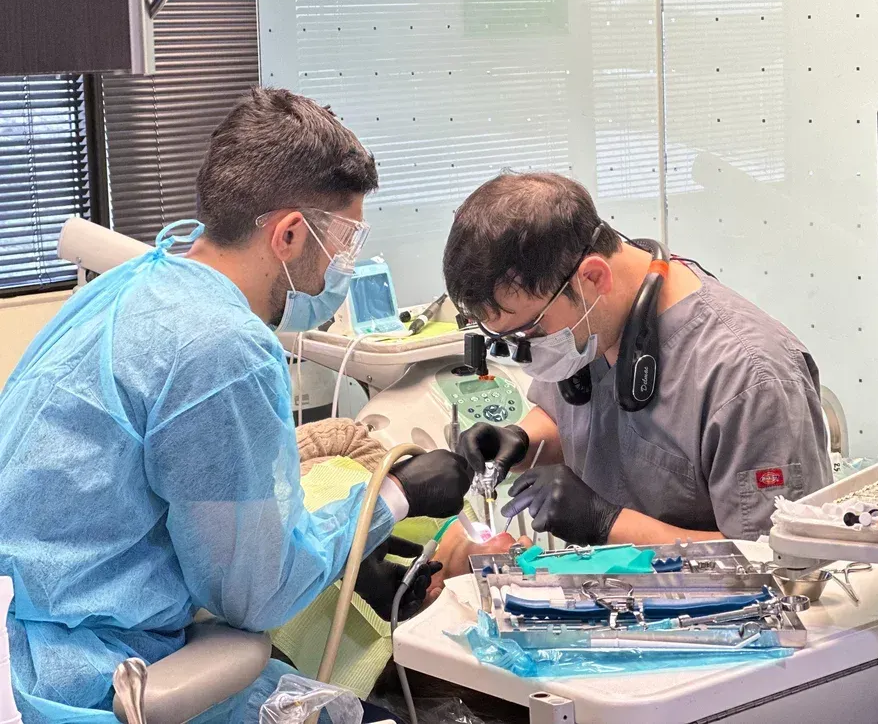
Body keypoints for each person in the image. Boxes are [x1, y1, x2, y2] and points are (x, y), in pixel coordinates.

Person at [0, 88, 476, 724]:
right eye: (345, 240)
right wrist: (394, 497)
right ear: (288, 234)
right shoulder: (223, 347)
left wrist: (344, 558)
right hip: (117, 682)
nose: (343, 265)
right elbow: (256, 596)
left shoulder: (126, 287)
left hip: (43, 656)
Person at [439, 171, 831, 550]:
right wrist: (521, 441)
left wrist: (608, 523)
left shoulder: (750, 377)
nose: (527, 352)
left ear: (593, 278)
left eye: (532, 332)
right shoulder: (592, 321)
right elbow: (579, 421)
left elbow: (784, 560)